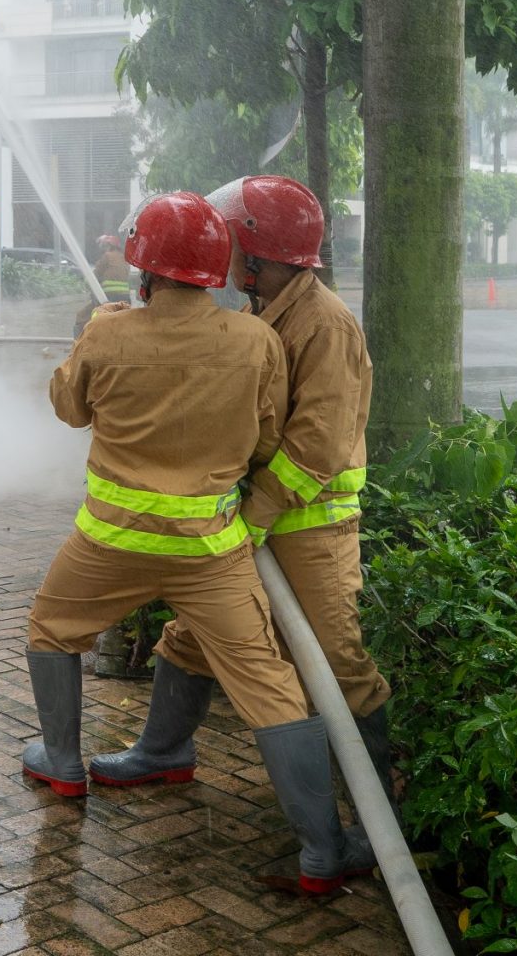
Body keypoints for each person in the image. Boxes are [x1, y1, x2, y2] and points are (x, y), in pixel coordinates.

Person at [26, 191, 352, 897]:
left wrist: (89, 335)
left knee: (52, 628)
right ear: (217, 268)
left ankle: (62, 763)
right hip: (213, 551)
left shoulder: (109, 333)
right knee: (270, 686)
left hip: (108, 545)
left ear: (142, 267)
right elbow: (268, 438)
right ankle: (323, 849)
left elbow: (68, 407)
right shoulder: (256, 340)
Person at [93, 176, 390, 888]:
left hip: (307, 529)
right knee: (196, 632)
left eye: (233, 245)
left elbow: (318, 443)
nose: (222, 260)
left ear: (256, 254)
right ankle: (163, 752)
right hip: (253, 517)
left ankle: (378, 818)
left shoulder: (325, 325)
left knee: (337, 664)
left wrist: (251, 520)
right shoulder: (265, 312)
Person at [92, 233, 133, 301]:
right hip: (125, 296)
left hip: (110, 295)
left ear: (109, 246)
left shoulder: (107, 256)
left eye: (104, 246)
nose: (103, 249)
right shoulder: (124, 257)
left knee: (99, 311)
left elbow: (97, 273)